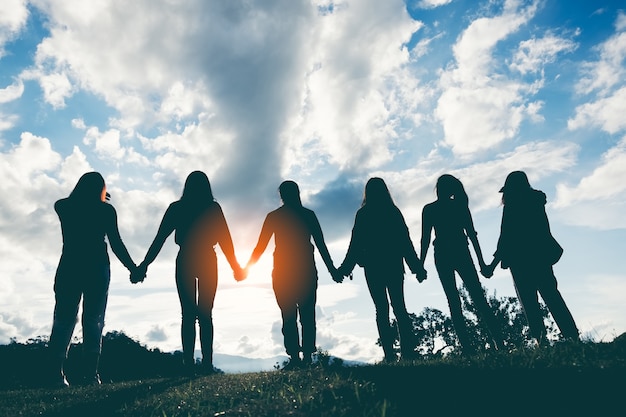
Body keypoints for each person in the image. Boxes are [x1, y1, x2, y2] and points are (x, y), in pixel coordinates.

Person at [135, 171, 244, 374]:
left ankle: (189, 363)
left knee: (188, 314)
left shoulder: (178, 208)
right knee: (205, 314)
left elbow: (159, 240)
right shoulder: (212, 208)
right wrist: (235, 267)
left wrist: (144, 266)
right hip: (207, 260)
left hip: (186, 259)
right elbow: (225, 241)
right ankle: (206, 364)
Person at [48, 172, 137, 387]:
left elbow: (67, 203)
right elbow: (116, 243)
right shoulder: (105, 211)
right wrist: (133, 268)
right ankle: (90, 374)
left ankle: (56, 373)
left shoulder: (63, 206)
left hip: (69, 265)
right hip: (97, 267)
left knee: (63, 318)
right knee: (94, 320)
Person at [245, 180, 342, 368]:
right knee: (307, 315)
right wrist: (333, 271)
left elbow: (260, 247)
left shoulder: (274, 217)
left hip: (283, 271)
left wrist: (246, 269)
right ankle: (305, 356)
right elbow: (321, 245)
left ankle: (296, 357)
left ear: (281, 195)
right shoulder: (308, 215)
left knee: (288, 315)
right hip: (305, 269)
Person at [483, 171, 579, 344]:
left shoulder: (512, 205)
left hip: (520, 261)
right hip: (540, 257)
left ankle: (541, 342)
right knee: (552, 297)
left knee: (529, 303)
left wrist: (492, 265)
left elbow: (506, 236)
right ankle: (572, 336)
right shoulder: (536, 202)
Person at [337, 177, 426, 362]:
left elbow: (355, 245)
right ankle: (407, 353)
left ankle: (389, 354)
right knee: (399, 308)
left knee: (381, 309)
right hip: (393, 264)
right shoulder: (392, 212)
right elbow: (405, 241)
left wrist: (344, 269)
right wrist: (416, 267)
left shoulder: (363, 214)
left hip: (373, 267)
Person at [420, 174, 504, 354]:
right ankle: (498, 343)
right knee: (478, 297)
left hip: (443, 254)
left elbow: (425, 239)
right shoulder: (459, 207)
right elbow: (472, 236)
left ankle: (468, 347)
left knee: (454, 300)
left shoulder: (430, 209)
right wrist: (482, 263)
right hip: (460, 252)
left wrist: (420, 265)